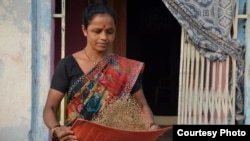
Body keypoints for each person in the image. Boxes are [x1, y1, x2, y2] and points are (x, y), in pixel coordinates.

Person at [43, 2, 160, 141]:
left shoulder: (124, 68)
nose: (104, 37)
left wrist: (151, 126)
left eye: (110, 32)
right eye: (97, 31)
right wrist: (56, 128)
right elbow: (50, 107)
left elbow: (142, 106)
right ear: (84, 30)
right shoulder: (67, 65)